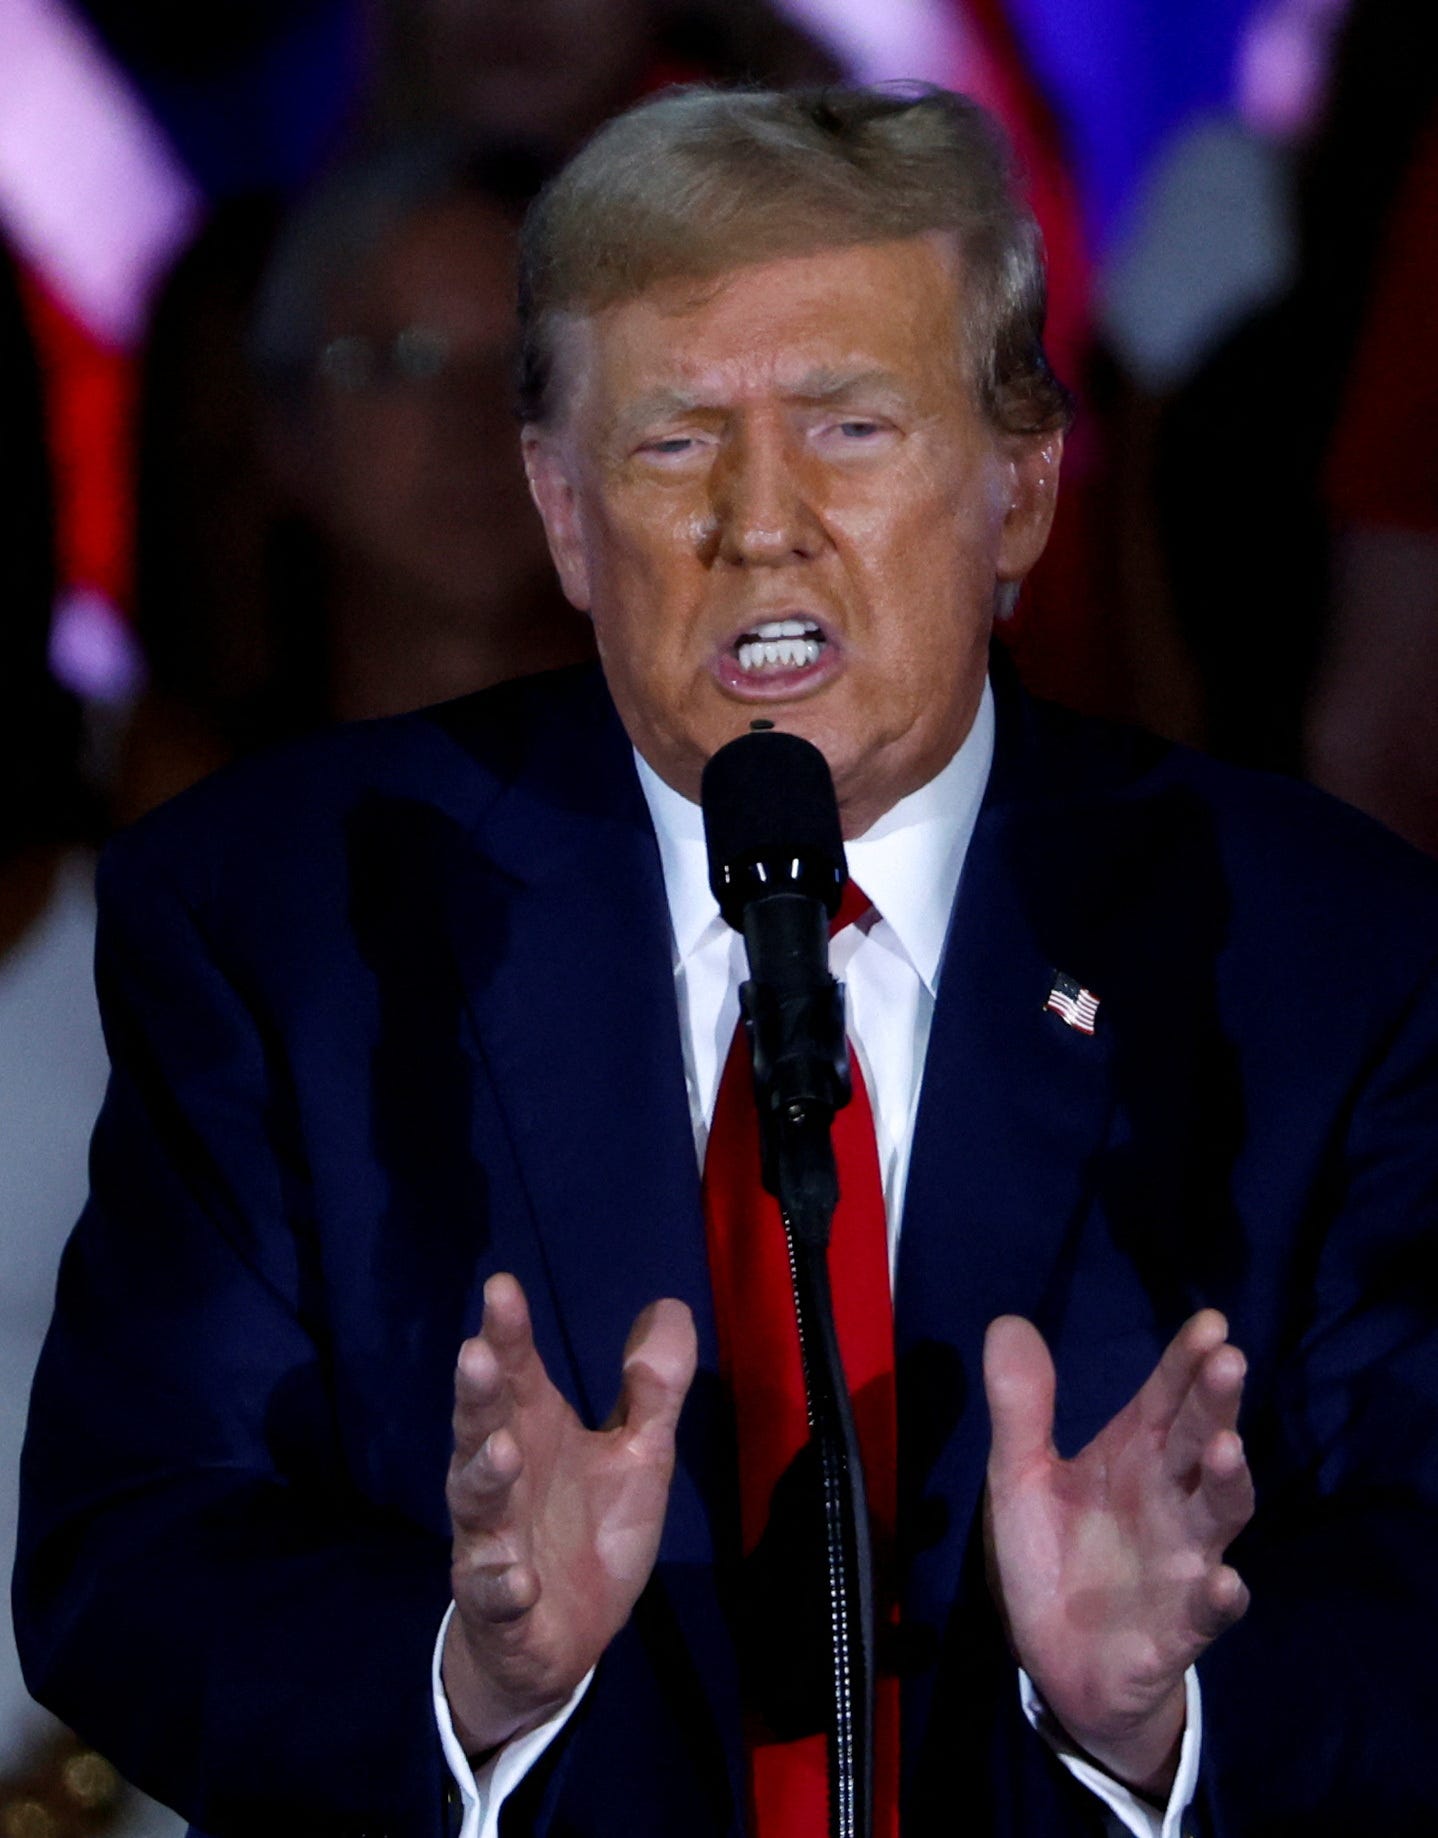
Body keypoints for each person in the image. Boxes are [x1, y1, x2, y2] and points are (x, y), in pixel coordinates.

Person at [14, 85, 1438, 1838]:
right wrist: (471, 1678)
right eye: (675, 442)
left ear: (1018, 487)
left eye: (850, 427)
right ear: (559, 511)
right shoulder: (293, 921)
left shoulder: (1312, 953)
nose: (761, 523)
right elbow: (131, 1545)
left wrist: (1168, 1720)